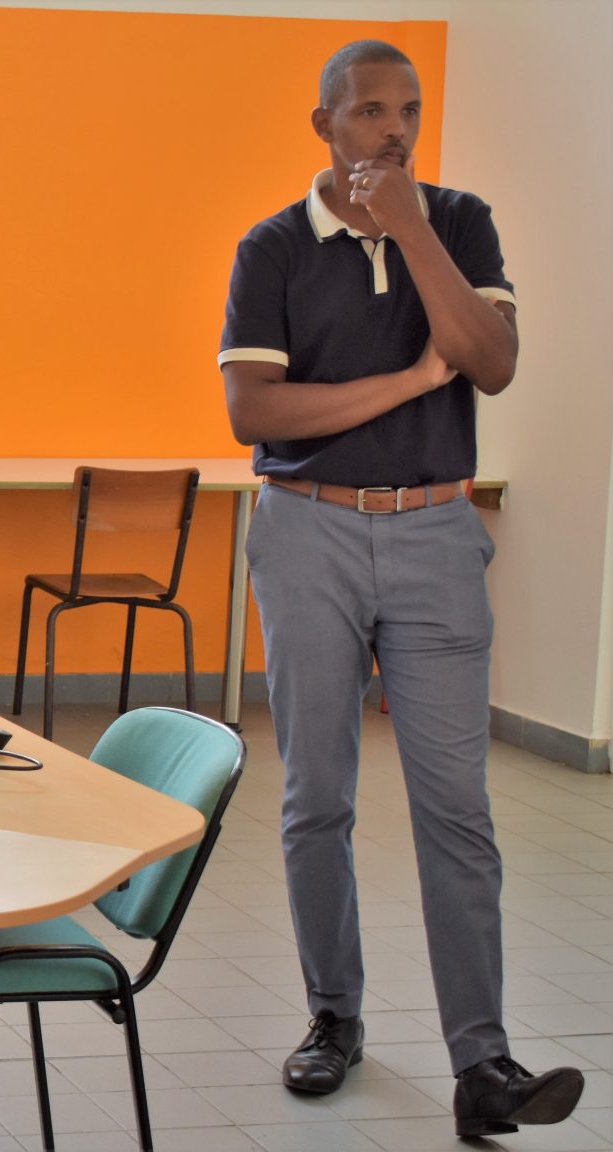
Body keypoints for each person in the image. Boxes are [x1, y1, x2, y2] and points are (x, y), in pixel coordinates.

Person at [219, 40, 581, 1138]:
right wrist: (414, 379)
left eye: (408, 111)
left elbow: (493, 363)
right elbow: (254, 414)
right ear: (323, 123)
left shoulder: (458, 223)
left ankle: (484, 1064)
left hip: (434, 534)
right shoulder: (273, 247)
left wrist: (412, 229)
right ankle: (333, 1018)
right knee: (317, 797)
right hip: (307, 532)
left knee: (457, 809)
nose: (393, 130)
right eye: (370, 111)